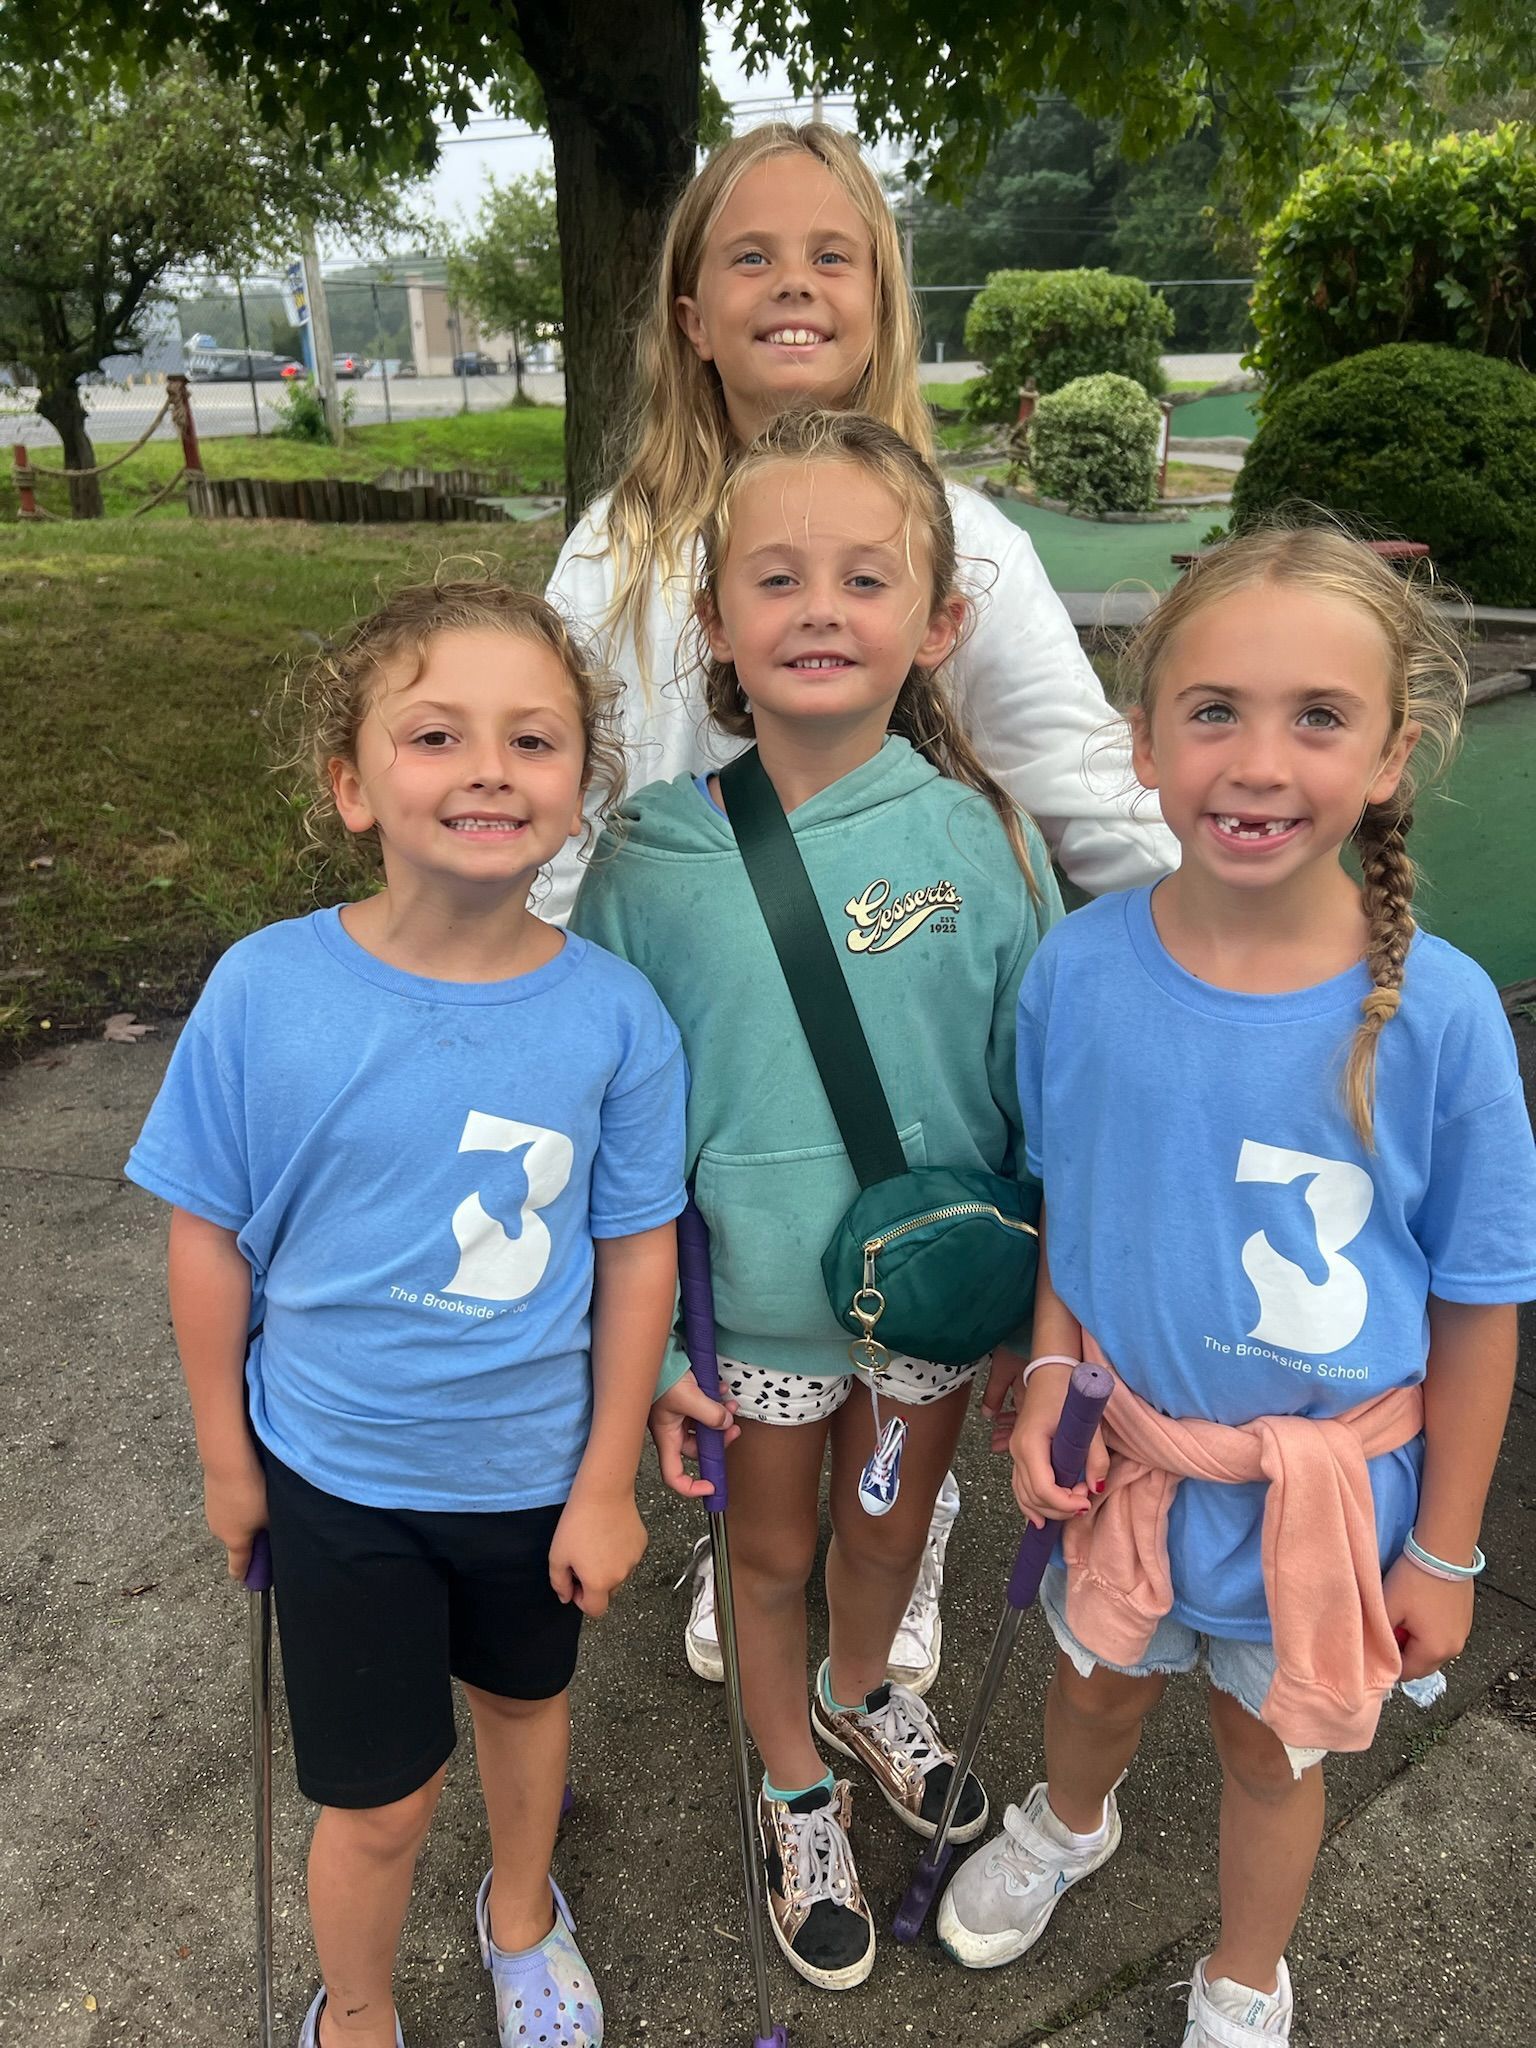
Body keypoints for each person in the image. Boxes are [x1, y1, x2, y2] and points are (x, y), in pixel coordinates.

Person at [546, 117, 1177, 1696]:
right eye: (749, 255)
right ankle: (759, 1557)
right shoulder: (621, 557)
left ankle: (901, 1542)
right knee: (748, 1308)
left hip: (909, 1027)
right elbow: (561, 812)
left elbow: (1089, 795)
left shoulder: (970, 549)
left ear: (886, 300)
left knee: (921, 1297)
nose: (794, 286)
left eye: (835, 254)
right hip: (724, 1034)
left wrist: (1266, 949)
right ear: (690, 313)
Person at [938, 528, 1536, 2044]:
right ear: (1141, 742)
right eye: (1213, 712)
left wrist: (1450, 1554)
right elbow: (1077, 1202)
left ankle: (1249, 1971)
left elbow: (1478, 1300)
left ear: (1394, 755)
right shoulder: (1075, 973)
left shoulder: (1446, 1020)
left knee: (1272, 1754)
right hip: (1128, 1471)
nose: (1258, 761)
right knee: (1095, 1693)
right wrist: (1057, 1374)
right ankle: (1074, 1824)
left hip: (1330, 1512)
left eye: (1318, 718)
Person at [126, 575, 692, 2048]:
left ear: (580, 790)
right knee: (375, 1802)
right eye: (436, 735)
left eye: (535, 739)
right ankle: (358, 2008)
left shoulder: (618, 1016)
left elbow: (637, 1257)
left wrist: (608, 1482)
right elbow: (209, 1242)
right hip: (338, 1480)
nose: (489, 770)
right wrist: (224, 1459)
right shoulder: (263, 991)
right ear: (352, 783)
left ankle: (520, 1918)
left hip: (530, 1478)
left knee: (523, 1720)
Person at [573, 408, 1062, 1990]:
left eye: (865, 576)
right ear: (713, 622)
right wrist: (644, 1354)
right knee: (767, 1558)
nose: (819, 609)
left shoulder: (984, 836)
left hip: (933, 1300)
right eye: (774, 578)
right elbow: (610, 1127)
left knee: (889, 1529)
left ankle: (868, 1690)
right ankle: (792, 1777)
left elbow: (1031, 1086)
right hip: (762, 1314)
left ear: (939, 621)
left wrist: (1043, 1322)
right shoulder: (646, 860)